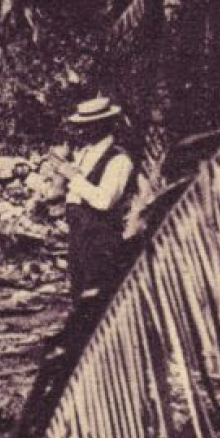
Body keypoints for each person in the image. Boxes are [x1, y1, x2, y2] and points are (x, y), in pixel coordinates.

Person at [44, 96, 137, 305]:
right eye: (80, 126)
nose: (81, 131)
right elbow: (68, 195)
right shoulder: (85, 154)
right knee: (79, 293)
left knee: (97, 296)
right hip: (79, 237)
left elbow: (104, 200)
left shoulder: (119, 159)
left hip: (101, 240)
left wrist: (72, 176)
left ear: (103, 126)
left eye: (87, 126)